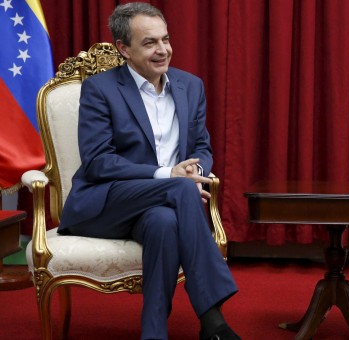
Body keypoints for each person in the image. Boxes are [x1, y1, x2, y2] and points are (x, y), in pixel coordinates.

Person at [58, 3, 240, 340]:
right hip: (106, 202)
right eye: (150, 43)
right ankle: (212, 317)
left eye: (166, 39)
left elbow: (202, 148)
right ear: (123, 49)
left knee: (164, 222)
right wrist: (169, 174)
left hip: (161, 207)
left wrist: (191, 170)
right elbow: (98, 162)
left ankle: (153, 333)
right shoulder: (100, 89)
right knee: (181, 189)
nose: (163, 50)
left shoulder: (191, 86)